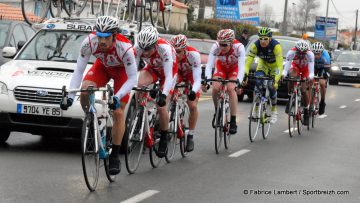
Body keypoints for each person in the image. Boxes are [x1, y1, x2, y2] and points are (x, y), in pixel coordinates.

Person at [60, 16, 138, 175]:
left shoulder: (126, 48)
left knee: (118, 112)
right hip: (103, 67)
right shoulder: (89, 42)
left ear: (114, 35)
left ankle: (115, 155)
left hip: (122, 73)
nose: (102, 41)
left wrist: (118, 96)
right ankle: (90, 119)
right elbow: (78, 71)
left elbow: (133, 78)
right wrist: (70, 95)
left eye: (106, 38)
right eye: (99, 36)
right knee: (84, 89)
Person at [135, 26, 177, 158]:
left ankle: (164, 137)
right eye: (143, 48)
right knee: (139, 85)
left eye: (148, 49)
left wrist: (163, 95)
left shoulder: (165, 49)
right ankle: (139, 114)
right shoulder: (138, 48)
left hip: (168, 73)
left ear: (155, 44)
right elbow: (132, 71)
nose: (145, 52)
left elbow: (169, 75)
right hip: (153, 68)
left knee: (161, 107)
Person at [203, 29, 246, 134]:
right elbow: (209, 65)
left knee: (231, 89)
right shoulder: (215, 47)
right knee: (215, 88)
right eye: (220, 44)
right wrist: (207, 81)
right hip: (221, 68)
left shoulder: (239, 47)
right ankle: (217, 111)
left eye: (224, 45)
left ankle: (233, 120)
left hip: (234, 69)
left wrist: (239, 82)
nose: (221, 47)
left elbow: (241, 67)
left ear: (231, 43)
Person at [245, 27, 283, 124]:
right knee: (258, 82)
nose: (262, 41)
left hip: (275, 67)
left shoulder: (276, 46)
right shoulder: (255, 45)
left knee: (271, 86)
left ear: (270, 38)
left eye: (265, 39)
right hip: (264, 65)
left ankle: (274, 111)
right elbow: (248, 62)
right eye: (260, 38)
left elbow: (279, 66)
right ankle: (255, 110)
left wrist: (276, 79)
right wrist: (245, 74)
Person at [170, 34, 201, 152]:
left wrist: (193, 91)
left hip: (191, 75)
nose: (176, 54)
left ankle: (191, 135)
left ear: (185, 49)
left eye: (179, 52)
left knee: (192, 105)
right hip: (177, 73)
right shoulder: (170, 54)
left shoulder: (193, 55)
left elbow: (197, 78)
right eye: (174, 51)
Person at [282, 40, 315, 125]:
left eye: (303, 53)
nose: (300, 55)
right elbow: (286, 69)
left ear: (306, 51)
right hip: (295, 67)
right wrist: (283, 75)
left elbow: (311, 72)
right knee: (291, 77)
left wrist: (309, 78)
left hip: (305, 69)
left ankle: (306, 111)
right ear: (295, 50)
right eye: (299, 53)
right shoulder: (291, 52)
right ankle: (290, 98)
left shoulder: (310, 55)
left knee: (304, 90)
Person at [311, 42, 331, 115]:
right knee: (309, 81)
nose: (316, 56)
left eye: (318, 54)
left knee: (322, 83)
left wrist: (326, 75)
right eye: (314, 54)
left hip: (322, 68)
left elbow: (328, 71)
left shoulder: (326, 57)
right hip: (314, 67)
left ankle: (322, 101)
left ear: (322, 52)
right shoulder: (310, 55)